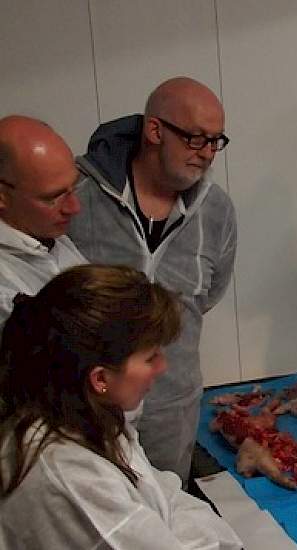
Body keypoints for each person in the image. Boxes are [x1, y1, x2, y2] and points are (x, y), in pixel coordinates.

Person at [0, 264, 242, 549]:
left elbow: (167, 495)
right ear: (100, 377)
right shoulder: (69, 476)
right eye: (151, 357)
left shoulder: (93, 416)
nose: (163, 367)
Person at [69, 77, 238, 482]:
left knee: (167, 520)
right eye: (197, 139)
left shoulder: (216, 211)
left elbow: (206, 297)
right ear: (155, 130)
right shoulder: (79, 196)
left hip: (170, 413)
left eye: (216, 141)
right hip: (86, 413)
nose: (208, 154)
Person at [0, 116, 85, 324]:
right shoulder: (5, 291)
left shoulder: (44, 231)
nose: (74, 208)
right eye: (52, 198)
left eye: (74, 187)